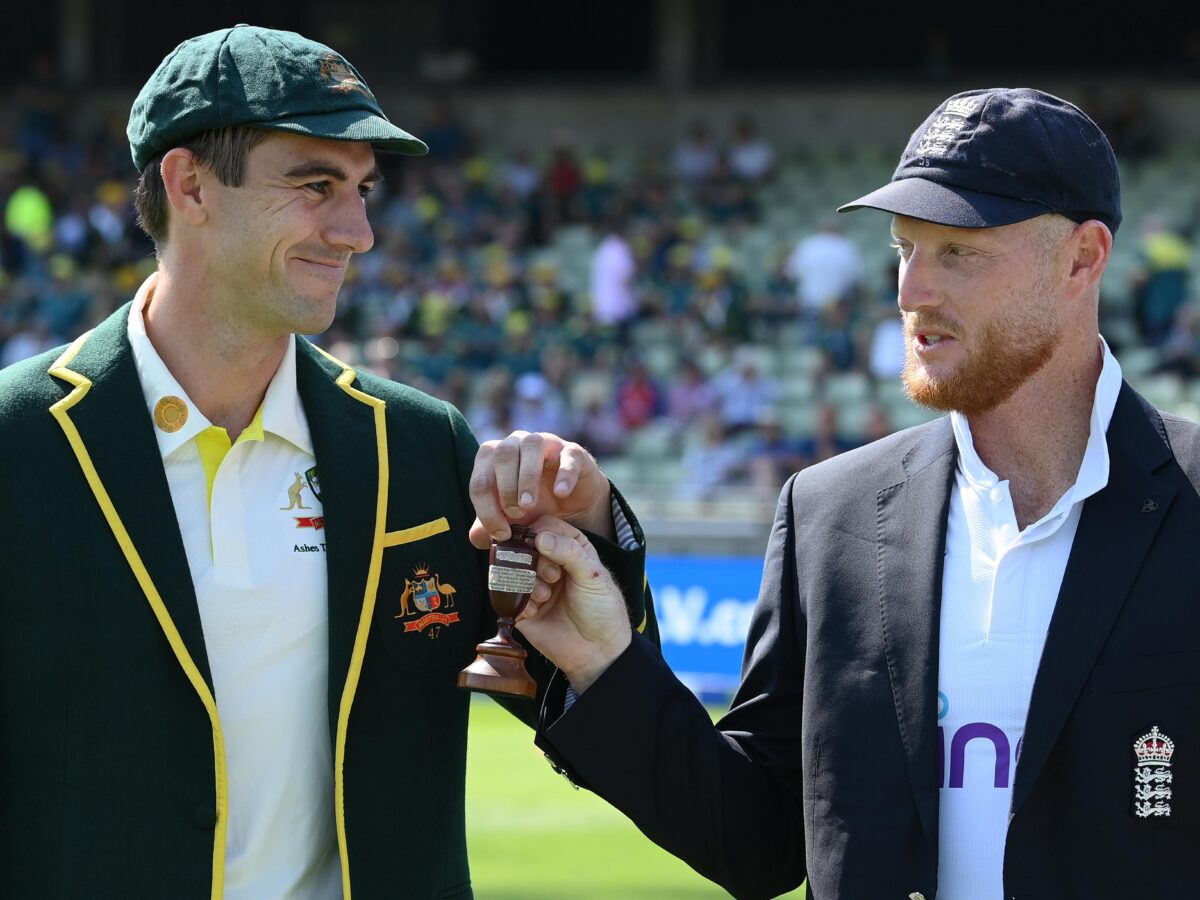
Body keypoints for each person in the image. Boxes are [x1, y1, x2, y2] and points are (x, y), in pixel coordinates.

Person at [0, 25, 656, 899]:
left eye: (363, 190)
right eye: (316, 186)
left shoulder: (422, 446)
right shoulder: (19, 440)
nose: (358, 232)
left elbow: (592, 708)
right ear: (189, 184)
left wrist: (595, 542)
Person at [513, 87, 1200, 899]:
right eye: (905, 249)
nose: (912, 292)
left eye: (958, 252)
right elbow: (760, 838)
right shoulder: (827, 512)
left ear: (1083, 258)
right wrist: (602, 663)